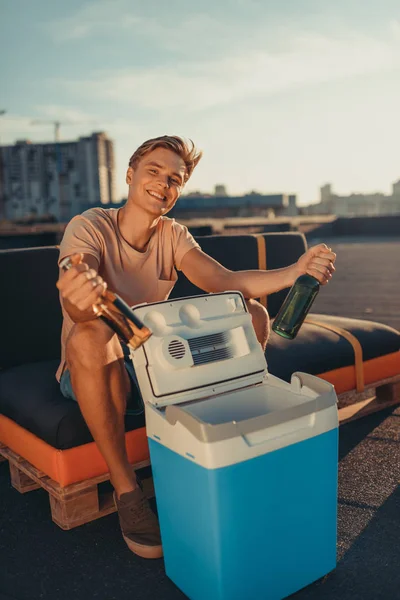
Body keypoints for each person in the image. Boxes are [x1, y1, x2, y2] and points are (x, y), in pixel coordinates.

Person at [56, 135, 336, 560]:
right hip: (92, 368)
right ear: (130, 176)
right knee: (93, 331)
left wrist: (295, 270)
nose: (163, 184)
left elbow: (225, 283)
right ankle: (127, 492)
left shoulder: (173, 234)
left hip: (151, 362)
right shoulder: (89, 226)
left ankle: (237, 436)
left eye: (175, 179)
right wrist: (78, 294)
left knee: (252, 313)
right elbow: (78, 282)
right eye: (153, 172)